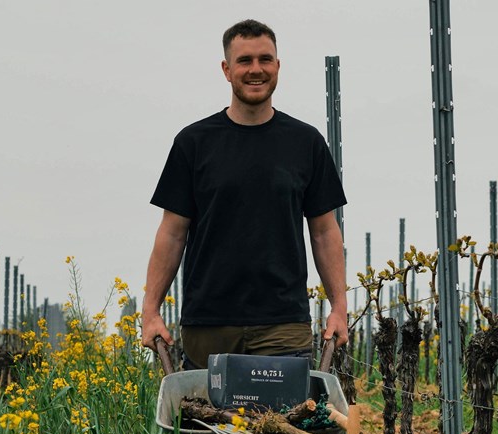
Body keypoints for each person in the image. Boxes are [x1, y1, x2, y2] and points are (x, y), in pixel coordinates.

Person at [141, 19, 348, 369]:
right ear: (226, 69)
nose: (256, 70)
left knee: (286, 422)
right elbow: (172, 233)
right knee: (204, 424)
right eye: (245, 61)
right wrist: (150, 310)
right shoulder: (193, 143)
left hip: (283, 324)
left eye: (265, 59)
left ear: (278, 66)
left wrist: (339, 307)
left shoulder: (306, 142)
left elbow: (324, 231)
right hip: (208, 325)